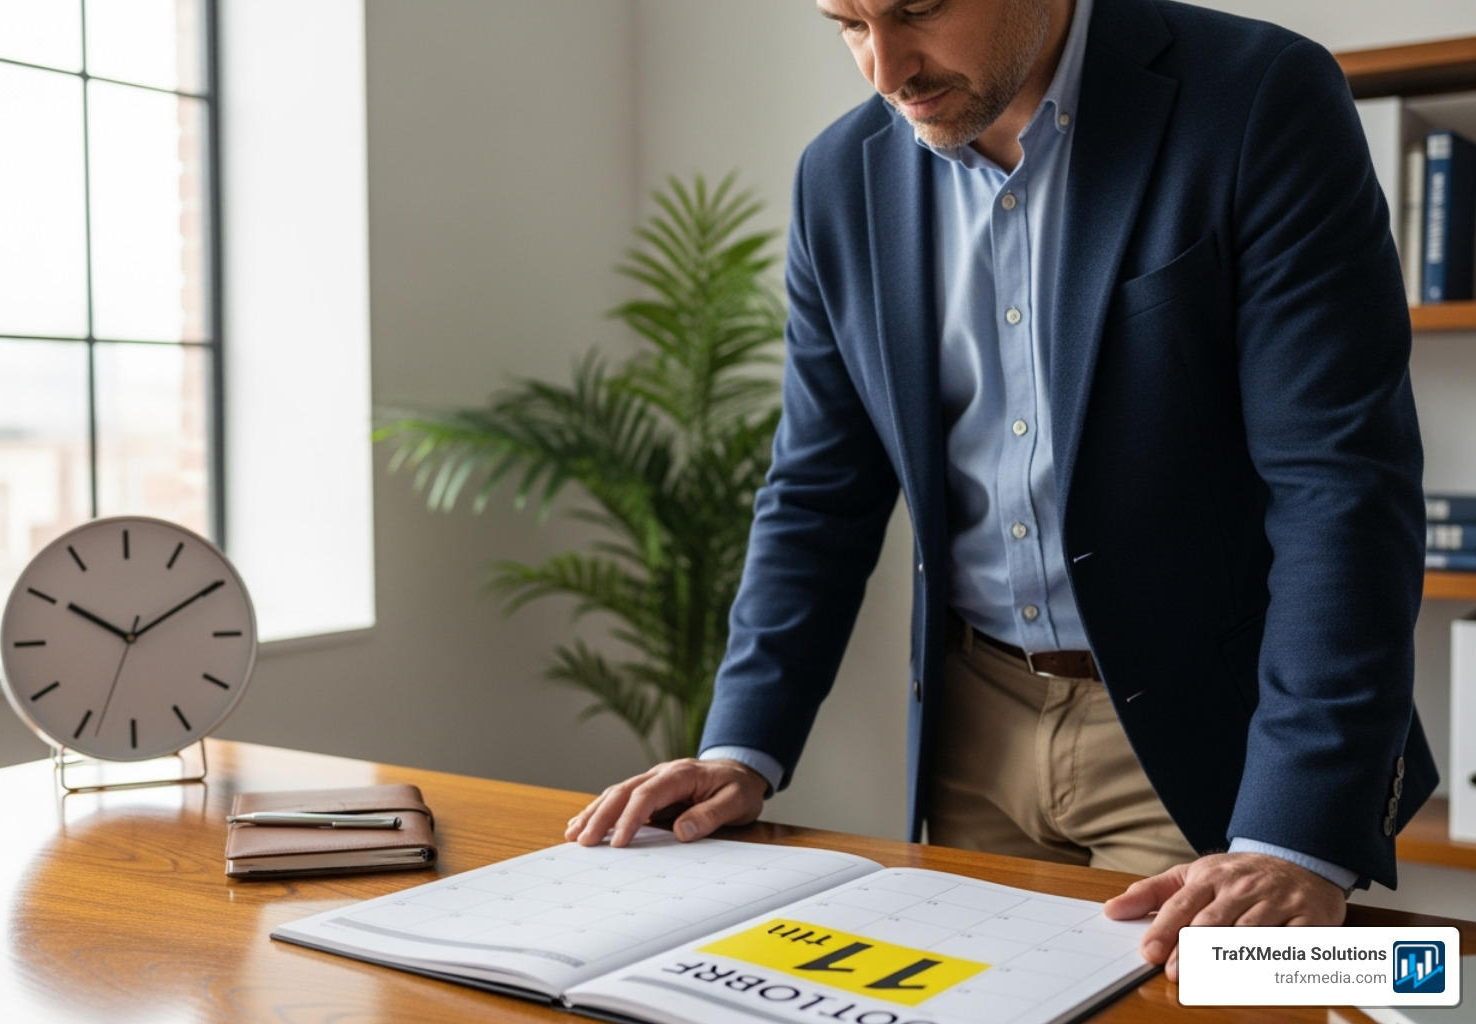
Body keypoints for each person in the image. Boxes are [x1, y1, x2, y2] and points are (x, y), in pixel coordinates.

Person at [566, 0, 1438, 980]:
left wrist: (1291, 835)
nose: (884, 67)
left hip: (1207, 740)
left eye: (916, 11)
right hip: (971, 723)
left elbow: (1338, 488)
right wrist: (739, 746)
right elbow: (816, 488)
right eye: (847, 23)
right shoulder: (840, 176)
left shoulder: (1257, 97)